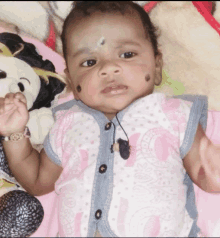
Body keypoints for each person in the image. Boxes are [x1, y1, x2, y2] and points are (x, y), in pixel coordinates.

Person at [0, 1, 220, 237]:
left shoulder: (173, 113)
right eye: (89, 62)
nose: (109, 68)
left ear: (157, 66)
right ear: (72, 82)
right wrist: (14, 133)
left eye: (127, 54)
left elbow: (205, 172)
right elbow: (36, 181)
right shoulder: (67, 124)